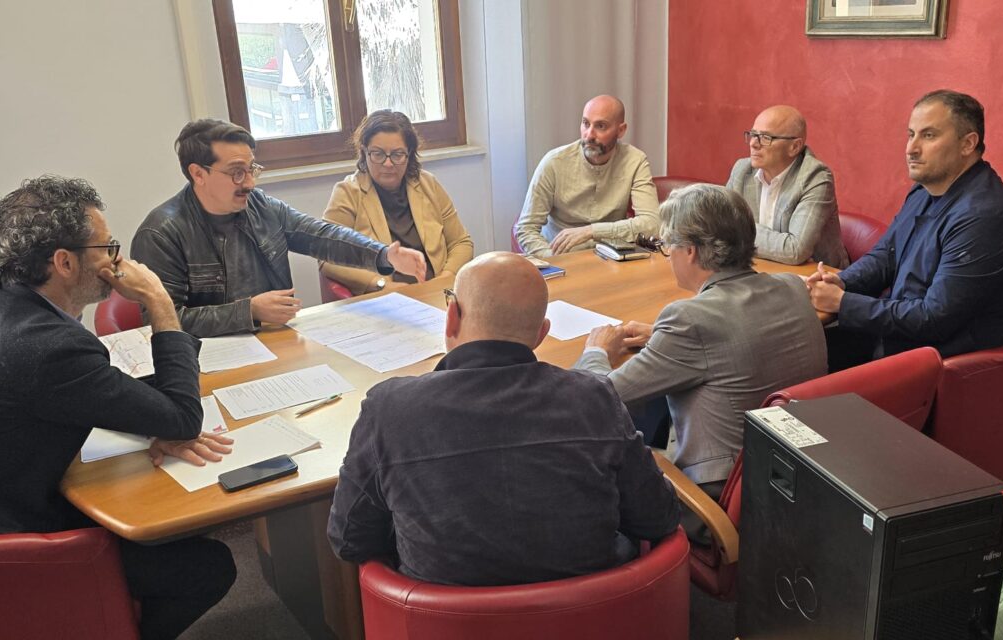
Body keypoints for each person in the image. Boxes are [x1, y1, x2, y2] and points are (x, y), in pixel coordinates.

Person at [0, 176, 236, 639]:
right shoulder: (46, 346)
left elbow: (79, 394)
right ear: (64, 262)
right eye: (106, 246)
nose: (116, 260)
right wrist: (160, 302)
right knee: (208, 567)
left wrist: (150, 417)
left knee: (160, 524)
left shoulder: (2, 298)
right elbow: (186, 421)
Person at [327, 252, 680, 586]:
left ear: (452, 317)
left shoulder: (389, 409)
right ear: (541, 333)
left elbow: (350, 541)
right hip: (586, 619)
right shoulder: (595, 397)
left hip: (444, 625)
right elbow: (657, 518)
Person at [574, 184, 826, 537]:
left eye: (666, 247)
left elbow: (596, 397)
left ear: (690, 251)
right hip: (794, 482)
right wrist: (659, 336)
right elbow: (734, 337)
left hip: (716, 500)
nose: (668, 256)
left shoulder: (689, 320)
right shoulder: (792, 288)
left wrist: (596, 351)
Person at [806, 90, 1003, 370]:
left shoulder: (985, 216)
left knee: (803, 381)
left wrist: (844, 304)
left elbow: (935, 318)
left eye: (928, 136)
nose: (911, 149)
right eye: (910, 134)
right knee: (789, 357)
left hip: (949, 366)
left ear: (968, 144)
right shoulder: (924, 190)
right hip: (899, 339)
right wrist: (844, 283)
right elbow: (886, 255)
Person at [132, 119, 430, 337]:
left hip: (275, 340)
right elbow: (163, 321)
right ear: (198, 173)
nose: (249, 182)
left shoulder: (260, 206)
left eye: (252, 169)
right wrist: (248, 311)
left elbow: (321, 236)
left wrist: (383, 256)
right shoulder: (162, 232)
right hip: (206, 361)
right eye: (237, 173)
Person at [320, 110, 473, 295]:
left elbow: (460, 242)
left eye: (397, 154)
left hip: (436, 291)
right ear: (364, 152)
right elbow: (327, 256)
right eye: (377, 154)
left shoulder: (428, 184)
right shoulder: (348, 193)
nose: (388, 163)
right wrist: (380, 284)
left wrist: (446, 277)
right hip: (385, 299)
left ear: (409, 154)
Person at [514, 95, 660, 257]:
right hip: (560, 257)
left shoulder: (635, 161)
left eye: (601, 126)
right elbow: (526, 228)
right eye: (585, 123)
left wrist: (591, 231)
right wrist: (554, 260)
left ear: (621, 130)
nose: (589, 135)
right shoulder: (554, 162)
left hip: (612, 257)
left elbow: (652, 224)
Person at [726, 105, 850, 268]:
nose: (754, 144)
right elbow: (719, 225)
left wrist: (739, 232)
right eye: (752, 135)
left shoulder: (815, 178)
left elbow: (795, 251)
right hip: (759, 270)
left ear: (795, 147)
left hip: (816, 280)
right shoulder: (742, 170)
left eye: (765, 137)